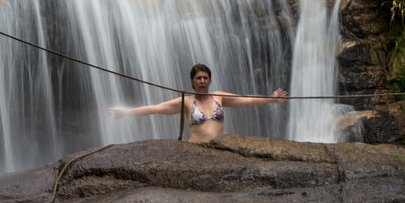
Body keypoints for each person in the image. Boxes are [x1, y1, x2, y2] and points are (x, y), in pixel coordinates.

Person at [107, 62, 288, 144]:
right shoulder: (186, 101)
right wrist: (125, 112)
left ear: (210, 81)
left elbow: (246, 99)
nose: (202, 81)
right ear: (192, 82)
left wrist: (271, 99)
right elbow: (156, 108)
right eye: (198, 78)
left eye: (205, 78)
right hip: (196, 150)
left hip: (220, 148)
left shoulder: (219, 97)